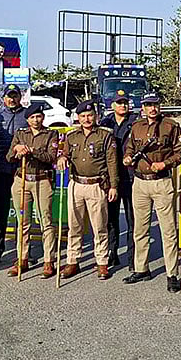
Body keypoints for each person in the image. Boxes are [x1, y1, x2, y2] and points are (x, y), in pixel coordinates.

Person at [122, 92, 181, 291]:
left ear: (159, 106)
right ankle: (142, 269)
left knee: (169, 230)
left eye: (155, 104)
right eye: (148, 105)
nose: (152, 108)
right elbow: (130, 149)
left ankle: (172, 274)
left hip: (161, 183)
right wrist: (127, 158)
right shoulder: (136, 126)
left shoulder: (170, 126)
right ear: (143, 107)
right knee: (140, 229)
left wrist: (164, 163)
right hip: (140, 183)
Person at [61, 101, 119, 280]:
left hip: (97, 186)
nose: (86, 119)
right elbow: (64, 153)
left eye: (90, 115)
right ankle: (73, 261)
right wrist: (62, 158)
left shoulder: (104, 136)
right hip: (76, 184)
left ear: (96, 116)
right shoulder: (71, 136)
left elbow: (112, 162)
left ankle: (102, 262)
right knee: (74, 226)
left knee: (99, 226)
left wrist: (114, 186)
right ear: (78, 118)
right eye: (83, 116)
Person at [6, 102, 63, 278]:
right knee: (23, 222)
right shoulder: (20, 134)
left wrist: (31, 150)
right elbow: (9, 157)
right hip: (22, 180)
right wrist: (16, 150)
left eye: (38, 116)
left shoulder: (51, 134)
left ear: (43, 117)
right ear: (27, 119)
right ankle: (22, 259)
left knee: (46, 221)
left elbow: (51, 157)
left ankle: (48, 260)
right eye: (32, 117)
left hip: (42, 180)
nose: (36, 120)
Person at [99, 90, 138, 270]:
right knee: (111, 219)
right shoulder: (106, 122)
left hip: (130, 176)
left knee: (132, 220)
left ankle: (132, 259)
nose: (122, 105)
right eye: (119, 102)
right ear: (112, 105)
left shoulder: (136, 122)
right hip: (111, 177)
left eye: (125, 102)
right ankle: (112, 254)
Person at [0, 84, 26, 268]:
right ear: (3, 98)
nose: (12, 99)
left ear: (20, 97)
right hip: (1, 169)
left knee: (23, 213)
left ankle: (23, 253)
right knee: (0, 212)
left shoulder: (27, 116)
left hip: (22, 170)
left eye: (15, 95)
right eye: (9, 96)